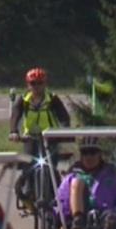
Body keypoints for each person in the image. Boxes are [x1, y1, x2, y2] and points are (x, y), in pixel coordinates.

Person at [8, 67, 72, 209]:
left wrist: (65, 130)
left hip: (50, 137)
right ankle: (27, 192)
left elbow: (63, 116)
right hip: (30, 137)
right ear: (28, 85)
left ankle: (57, 195)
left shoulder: (52, 99)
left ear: (45, 84)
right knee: (28, 163)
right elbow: (15, 115)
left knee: (52, 166)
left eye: (40, 83)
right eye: (33, 83)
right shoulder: (23, 100)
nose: (36, 87)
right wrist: (13, 131)